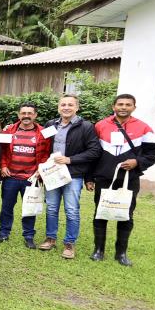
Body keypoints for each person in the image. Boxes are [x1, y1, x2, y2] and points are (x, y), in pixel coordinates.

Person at [86, 94, 155, 266]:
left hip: (130, 179)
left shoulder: (143, 128)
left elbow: (154, 153)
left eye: (128, 104)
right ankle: (98, 250)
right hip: (104, 178)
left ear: (134, 107)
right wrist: (89, 177)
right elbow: (93, 153)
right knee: (101, 212)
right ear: (113, 106)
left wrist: (137, 162)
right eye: (120, 104)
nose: (123, 107)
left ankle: (121, 254)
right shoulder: (100, 125)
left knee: (126, 215)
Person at [37, 94, 101, 259]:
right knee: (51, 208)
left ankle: (69, 243)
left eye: (70, 105)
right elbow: (43, 148)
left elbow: (94, 151)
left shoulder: (86, 127)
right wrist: (41, 168)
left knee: (71, 210)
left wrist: (70, 160)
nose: (66, 107)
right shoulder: (51, 124)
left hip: (73, 175)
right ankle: (50, 238)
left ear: (76, 107)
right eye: (63, 104)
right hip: (52, 174)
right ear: (59, 107)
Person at [0, 102, 52, 248]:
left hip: (31, 178)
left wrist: (41, 169)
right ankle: (3, 232)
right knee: (6, 207)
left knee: (29, 208)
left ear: (35, 115)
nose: (26, 116)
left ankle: (28, 236)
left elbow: (46, 153)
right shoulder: (9, 131)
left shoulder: (43, 132)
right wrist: (2, 166)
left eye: (29, 113)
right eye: (23, 113)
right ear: (18, 115)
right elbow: (2, 151)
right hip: (11, 177)